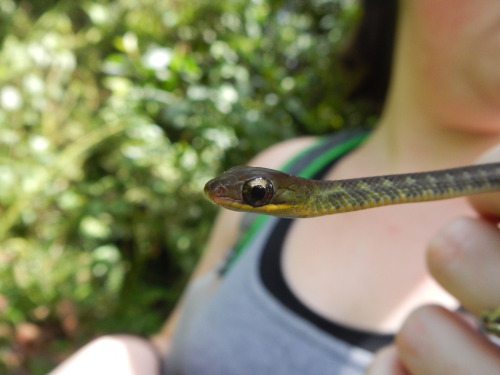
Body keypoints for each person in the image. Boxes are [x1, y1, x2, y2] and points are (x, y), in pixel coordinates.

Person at [50, 0, 500, 373]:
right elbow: (174, 344)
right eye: (256, 195)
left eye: (257, 195)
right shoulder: (288, 162)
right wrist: (128, 357)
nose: (241, 199)